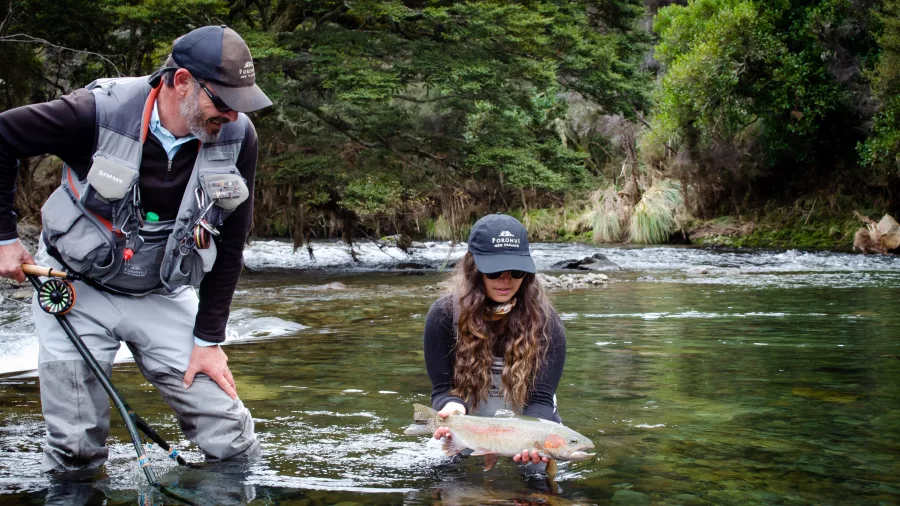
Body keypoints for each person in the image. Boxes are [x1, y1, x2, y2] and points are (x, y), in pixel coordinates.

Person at [0, 25, 272, 473]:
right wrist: (5, 238)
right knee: (75, 449)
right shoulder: (91, 113)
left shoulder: (239, 137)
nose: (231, 115)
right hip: (73, 289)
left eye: (239, 104)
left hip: (162, 293)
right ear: (181, 80)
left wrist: (209, 341)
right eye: (221, 101)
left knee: (229, 434)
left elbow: (231, 244)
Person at [423, 213, 567, 467]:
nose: (506, 279)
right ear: (474, 268)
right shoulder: (444, 316)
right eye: (495, 271)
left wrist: (533, 439)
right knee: (439, 480)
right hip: (467, 424)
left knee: (542, 493)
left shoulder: (547, 323)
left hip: (531, 423)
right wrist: (452, 409)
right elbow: (442, 390)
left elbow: (541, 401)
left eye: (517, 271)